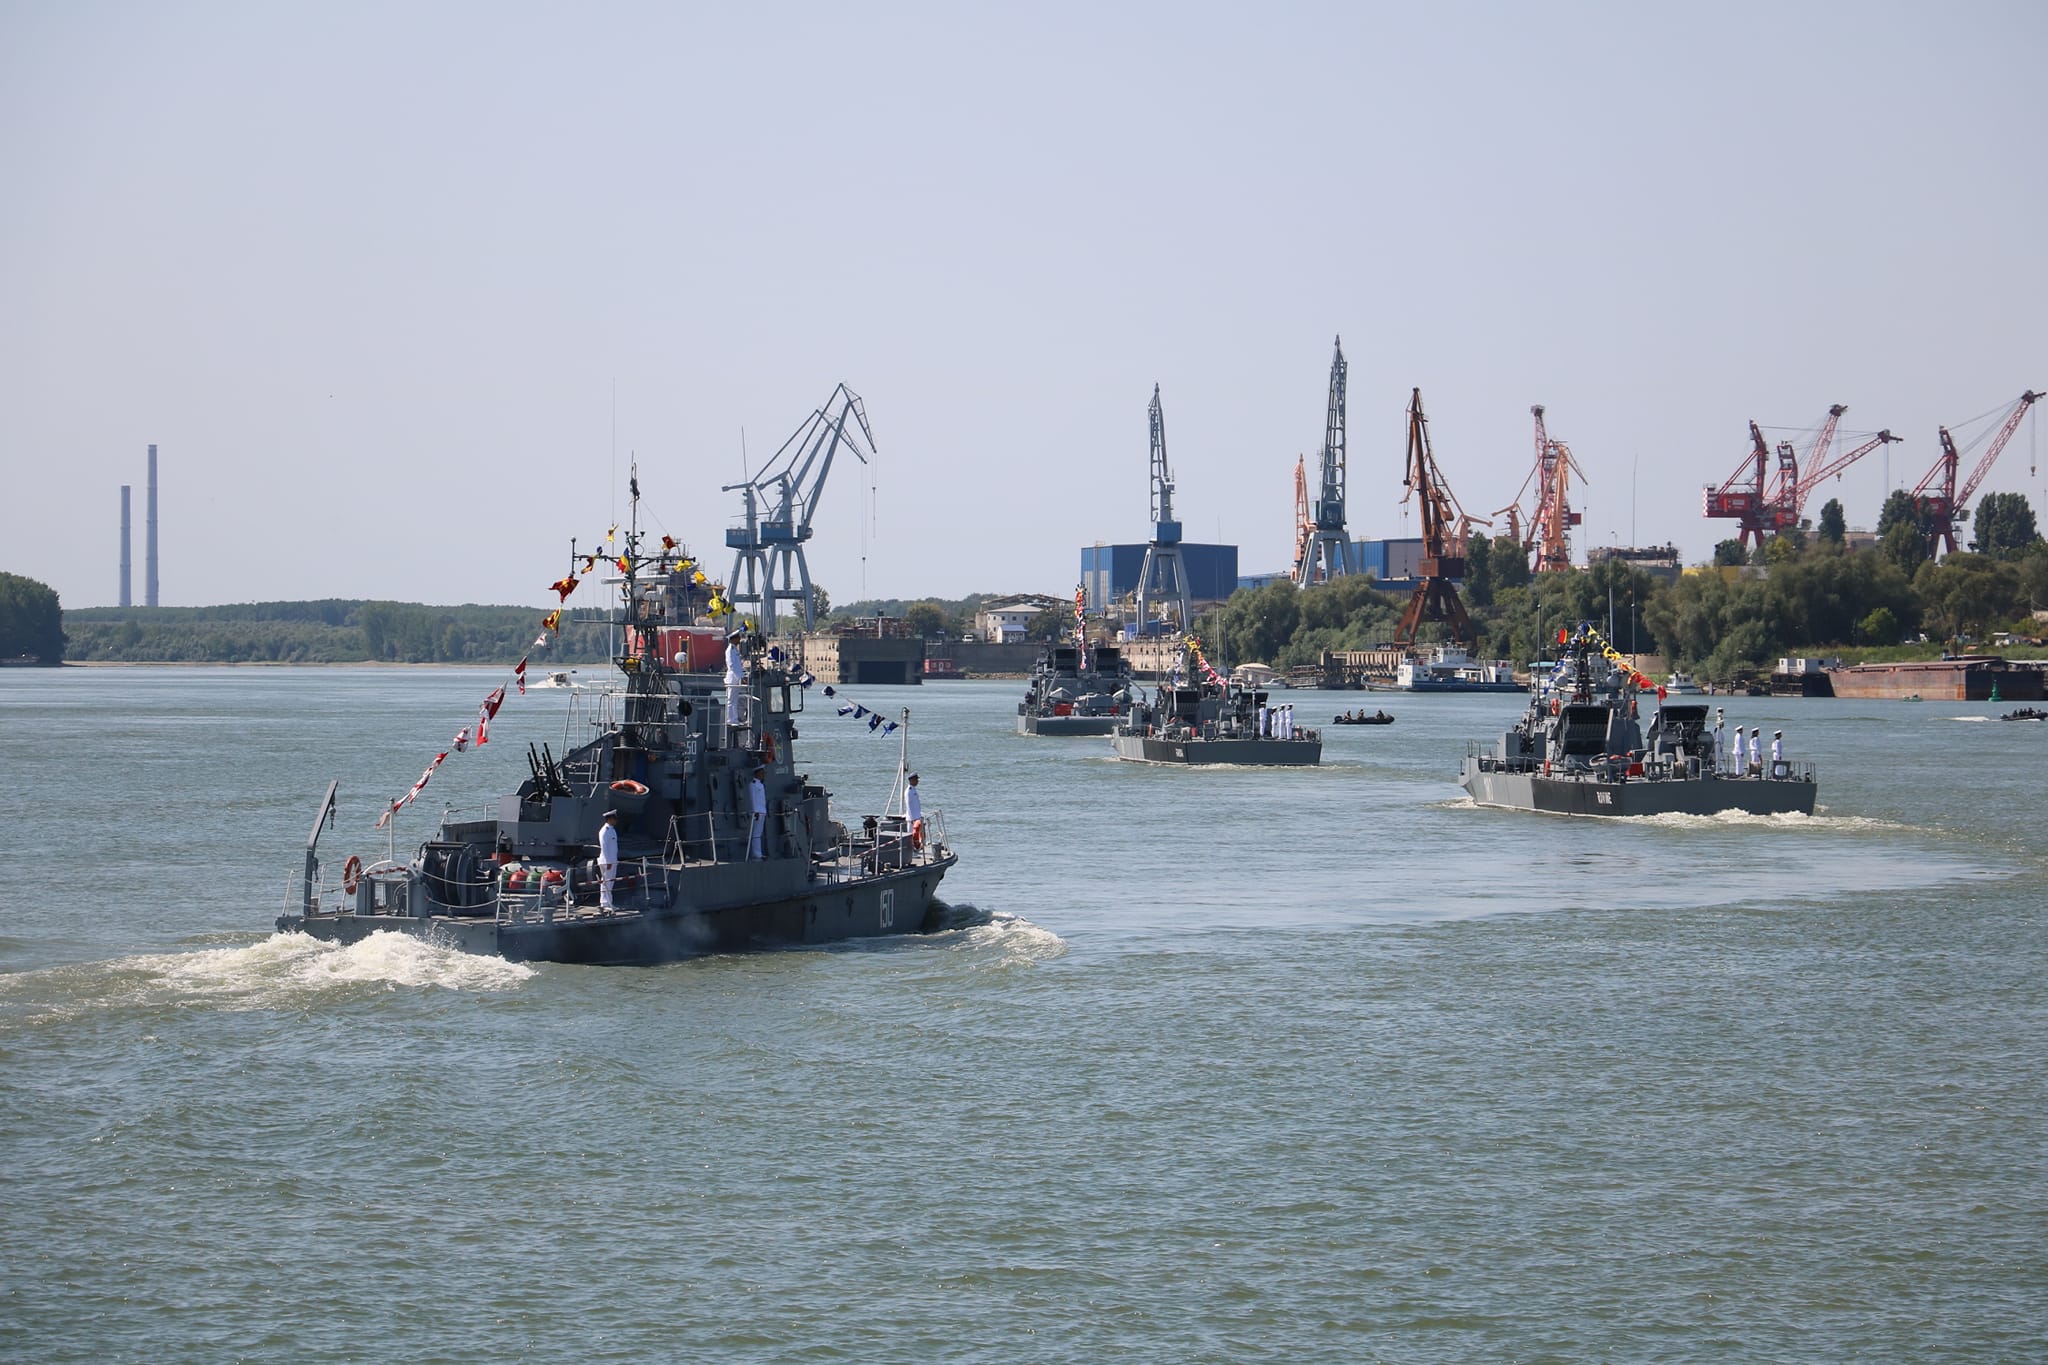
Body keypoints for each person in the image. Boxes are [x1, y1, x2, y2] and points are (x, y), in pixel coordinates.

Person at [724, 628, 748, 740]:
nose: (739, 639)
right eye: (738, 637)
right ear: (733, 639)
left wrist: (742, 675)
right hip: (732, 678)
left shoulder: (734, 650)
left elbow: (739, 666)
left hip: (736, 678)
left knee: (735, 699)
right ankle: (730, 719)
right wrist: (741, 677)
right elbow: (732, 666)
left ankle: (734, 719)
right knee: (731, 700)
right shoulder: (730, 650)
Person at [598, 809, 620, 911]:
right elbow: (604, 847)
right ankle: (604, 903)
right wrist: (608, 862)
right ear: (609, 819)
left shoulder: (612, 830)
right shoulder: (604, 831)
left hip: (612, 860)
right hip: (607, 861)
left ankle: (609, 903)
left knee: (610, 883)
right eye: (614, 818)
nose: (616, 820)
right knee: (606, 882)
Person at [748, 765, 767, 860]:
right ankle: (756, 853)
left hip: (762, 811)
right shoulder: (752, 785)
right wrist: (754, 811)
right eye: (762, 773)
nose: (763, 774)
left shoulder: (760, 784)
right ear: (757, 773)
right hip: (757, 812)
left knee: (759, 834)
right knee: (756, 834)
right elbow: (752, 799)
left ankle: (758, 852)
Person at [906, 771, 924, 850]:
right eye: (916, 780)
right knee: (911, 836)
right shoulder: (909, 791)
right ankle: (911, 851)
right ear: (912, 780)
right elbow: (908, 805)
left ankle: (916, 849)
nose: (917, 781)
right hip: (912, 819)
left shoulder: (913, 790)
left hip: (916, 817)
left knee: (916, 836)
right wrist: (912, 819)